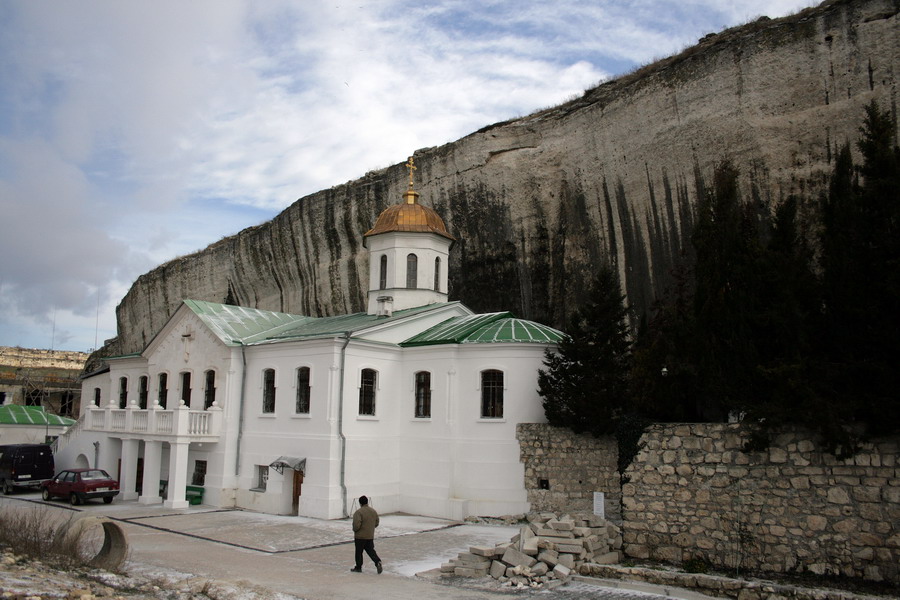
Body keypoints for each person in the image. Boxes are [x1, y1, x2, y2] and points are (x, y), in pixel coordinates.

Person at [351, 495, 383, 574]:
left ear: (360, 503)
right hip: (369, 535)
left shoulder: (358, 512)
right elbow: (377, 522)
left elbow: (356, 525)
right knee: (370, 550)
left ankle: (358, 567)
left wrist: (355, 530)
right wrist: (370, 528)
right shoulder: (373, 511)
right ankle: (377, 561)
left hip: (360, 537)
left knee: (359, 552)